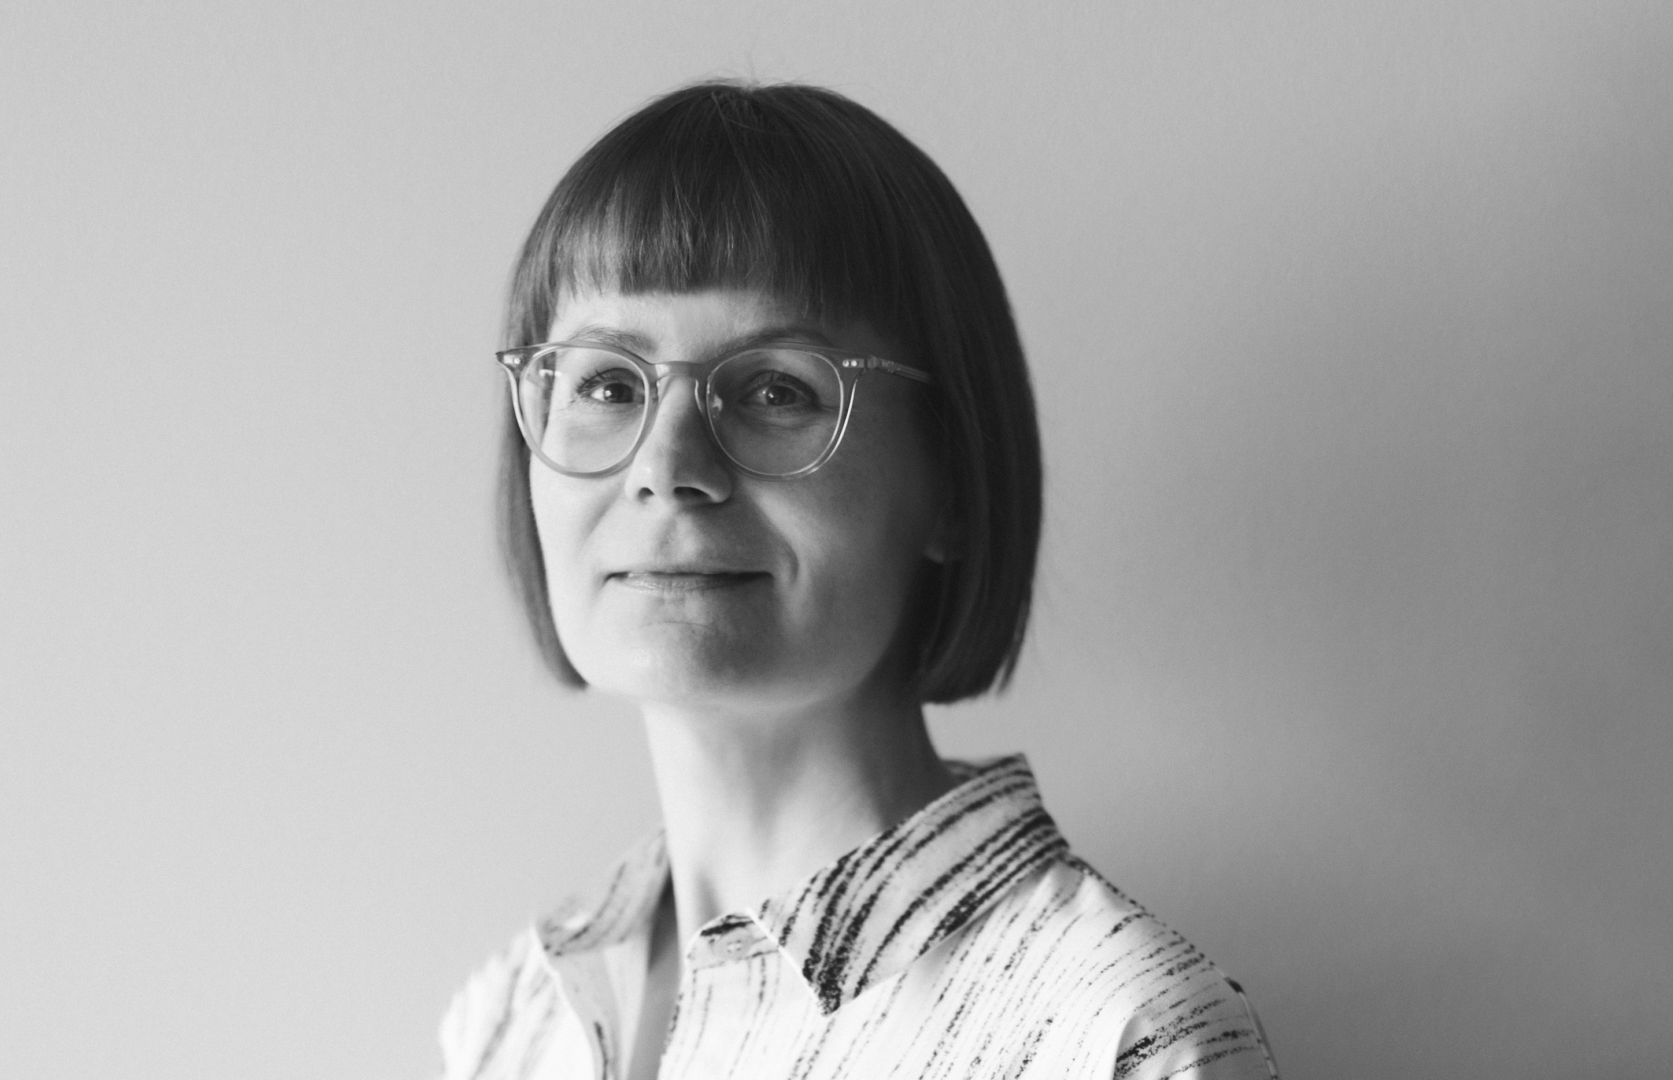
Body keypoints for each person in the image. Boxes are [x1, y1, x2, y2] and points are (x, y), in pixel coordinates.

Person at [441, 81, 1278, 1080]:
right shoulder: (509, 1022)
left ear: (952, 480)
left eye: (776, 389)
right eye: (608, 385)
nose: (666, 465)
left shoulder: (1112, 1036)